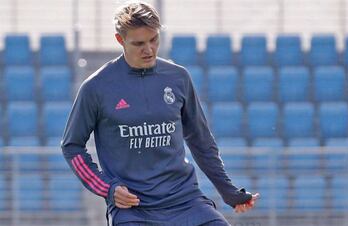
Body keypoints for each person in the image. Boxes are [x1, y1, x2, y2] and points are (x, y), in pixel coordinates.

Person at [61, 1, 259, 225]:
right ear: (120, 40)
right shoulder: (96, 87)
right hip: (133, 208)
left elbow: (201, 141)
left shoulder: (178, 78)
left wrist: (228, 191)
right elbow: (72, 146)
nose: (149, 49)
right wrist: (107, 188)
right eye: (139, 43)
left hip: (186, 201)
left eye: (154, 39)